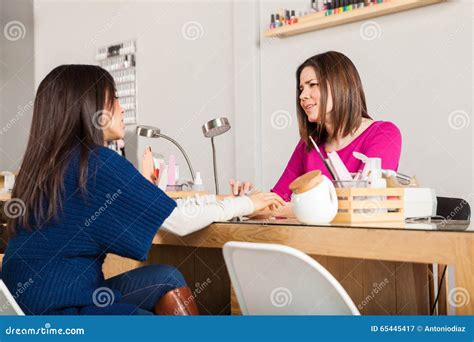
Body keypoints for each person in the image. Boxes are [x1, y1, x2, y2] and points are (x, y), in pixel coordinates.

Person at [2, 65, 284, 315]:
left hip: (26, 308)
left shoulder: (42, 167)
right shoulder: (96, 162)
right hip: (65, 313)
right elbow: (180, 221)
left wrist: (225, 200)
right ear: (90, 108)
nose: (121, 108)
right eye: (113, 99)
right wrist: (247, 204)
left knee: (166, 278)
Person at [231, 51, 401, 217]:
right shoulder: (309, 145)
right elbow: (277, 203)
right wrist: (248, 202)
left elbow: (362, 202)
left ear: (339, 85)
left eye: (312, 85)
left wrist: (287, 208)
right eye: (301, 89)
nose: (302, 96)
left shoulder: (384, 133)